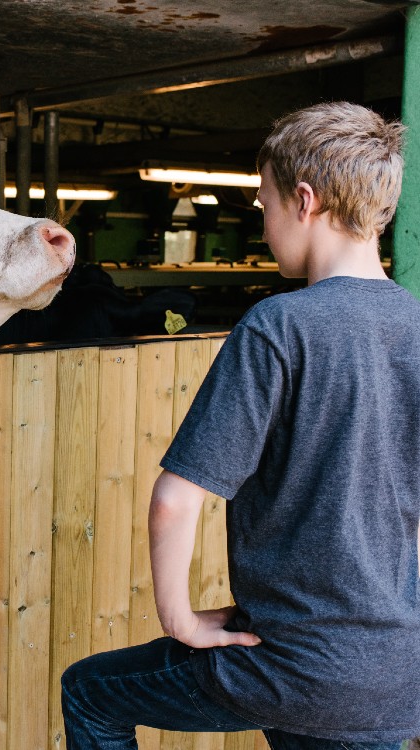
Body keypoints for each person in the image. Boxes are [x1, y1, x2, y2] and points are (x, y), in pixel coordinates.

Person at [61, 101, 420, 750]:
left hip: (289, 663)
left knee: (90, 694)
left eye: (265, 206)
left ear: (304, 201)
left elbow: (176, 500)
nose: (264, 223)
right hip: (395, 672)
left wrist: (182, 622)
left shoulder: (278, 328)